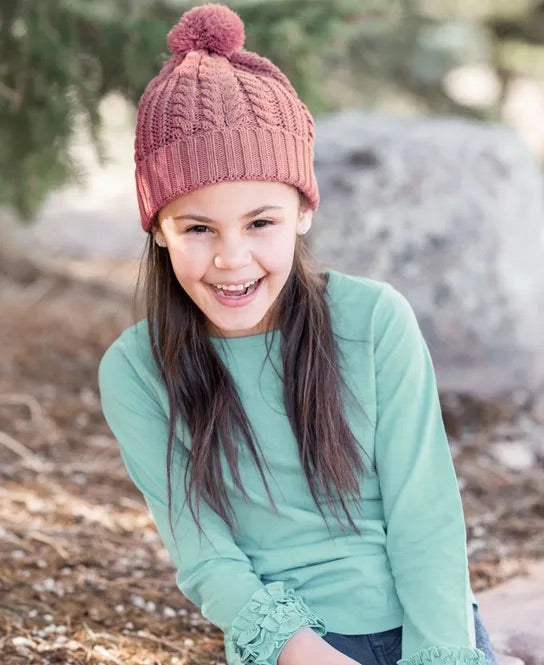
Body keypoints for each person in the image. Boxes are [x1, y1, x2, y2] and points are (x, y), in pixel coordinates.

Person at [98, 5, 499, 665]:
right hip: (295, 644)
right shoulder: (137, 369)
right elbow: (204, 552)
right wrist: (309, 654)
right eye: (198, 228)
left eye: (261, 223)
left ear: (303, 212)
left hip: (427, 627)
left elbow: (424, 514)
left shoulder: (374, 319)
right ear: (158, 228)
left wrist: (444, 653)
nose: (232, 259)